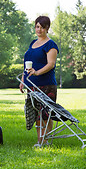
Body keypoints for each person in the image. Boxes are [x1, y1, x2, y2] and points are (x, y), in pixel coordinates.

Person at [19, 16, 59, 147]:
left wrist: (37, 72)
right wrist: (24, 80)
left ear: (47, 28)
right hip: (32, 85)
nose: (39, 29)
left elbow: (51, 64)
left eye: (42, 27)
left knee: (45, 114)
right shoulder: (32, 43)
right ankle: (40, 140)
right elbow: (27, 63)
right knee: (35, 113)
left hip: (46, 84)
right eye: (37, 26)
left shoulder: (50, 44)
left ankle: (45, 141)